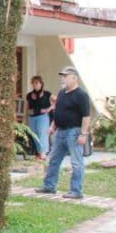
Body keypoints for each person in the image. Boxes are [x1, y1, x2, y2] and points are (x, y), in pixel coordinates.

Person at [35, 66, 93, 199]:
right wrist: (53, 125)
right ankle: (49, 186)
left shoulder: (81, 95)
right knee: (54, 160)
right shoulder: (61, 93)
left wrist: (83, 134)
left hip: (74, 132)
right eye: (62, 76)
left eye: (65, 76)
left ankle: (76, 191)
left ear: (74, 78)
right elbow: (58, 110)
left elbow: (86, 117)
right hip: (60, 132)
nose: (63, 79)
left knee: (76, 162)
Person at [26, 75, 54, 159]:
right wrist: (26, 117)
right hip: (32, 117)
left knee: (42, 134)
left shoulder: (47, 94)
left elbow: (58, 101)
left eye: (37, 83)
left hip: (43, 117)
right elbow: (27, 107)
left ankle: (43, 154)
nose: (35, 85)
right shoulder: (29, 95)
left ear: (41, 84)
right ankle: (39, 153)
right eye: (33, 83)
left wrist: (49, 109)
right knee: (35, 135)